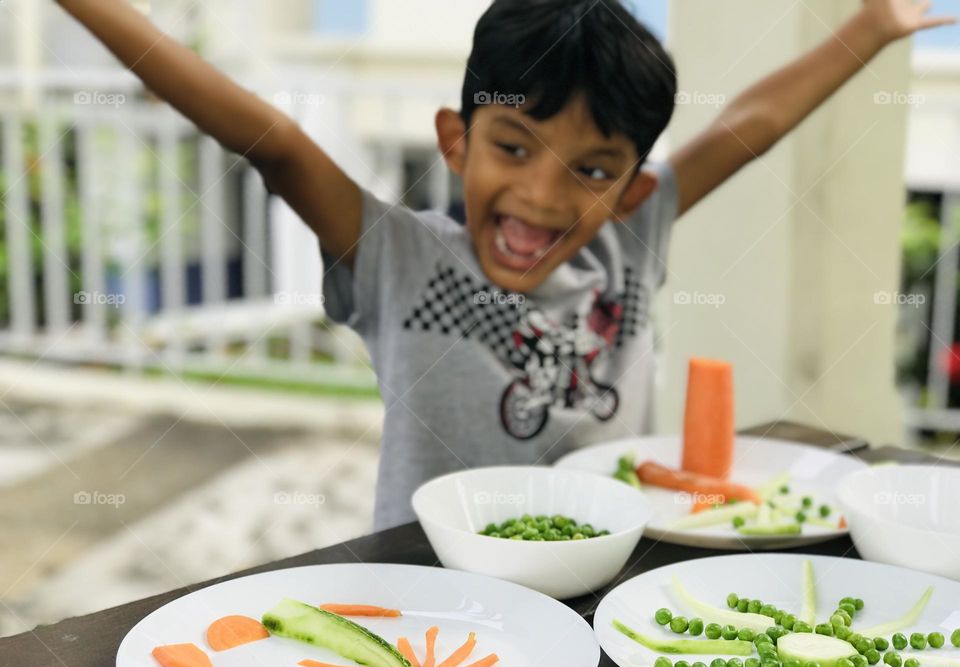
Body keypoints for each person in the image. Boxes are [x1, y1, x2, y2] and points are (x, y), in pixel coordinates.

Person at [58, 0, 954, 529]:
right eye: (514, 148)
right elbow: (277, 142)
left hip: (606, 583)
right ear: (455, 141)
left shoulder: (632, 239)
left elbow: (747, 130)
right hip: (429, 601)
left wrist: (870, 27)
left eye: (593, 170)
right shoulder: (398, 259)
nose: (545, 197)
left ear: (632, 189)